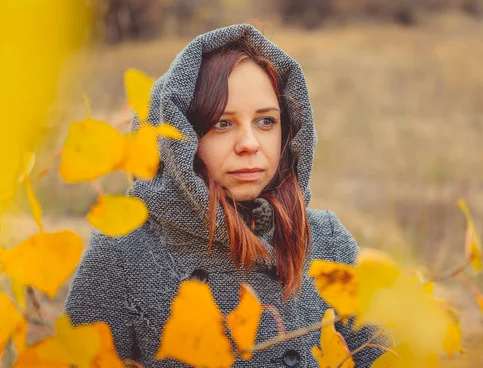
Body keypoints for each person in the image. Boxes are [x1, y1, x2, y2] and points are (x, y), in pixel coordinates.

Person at [65, 24, 385, 367]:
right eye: (222, 123)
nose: (249, 143)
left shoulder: (325, 242)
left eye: (265, 121)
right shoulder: (123, 252)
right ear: (180, 138)